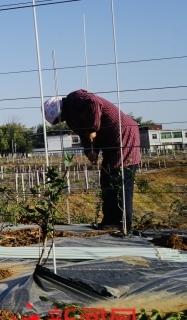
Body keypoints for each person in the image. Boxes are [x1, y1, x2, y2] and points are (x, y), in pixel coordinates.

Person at [44, 90, 141, 233]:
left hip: (124, 134)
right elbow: (84, 135)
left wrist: (92, 128)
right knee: (107, 179)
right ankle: (110, 221)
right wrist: (90, 151)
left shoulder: (74, 98)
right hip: (111, 142)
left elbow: (94, 103)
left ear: (61, 109)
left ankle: (121, 223)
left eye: (60, 118)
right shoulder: (72, 119)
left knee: (119, 177)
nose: (61, 121)